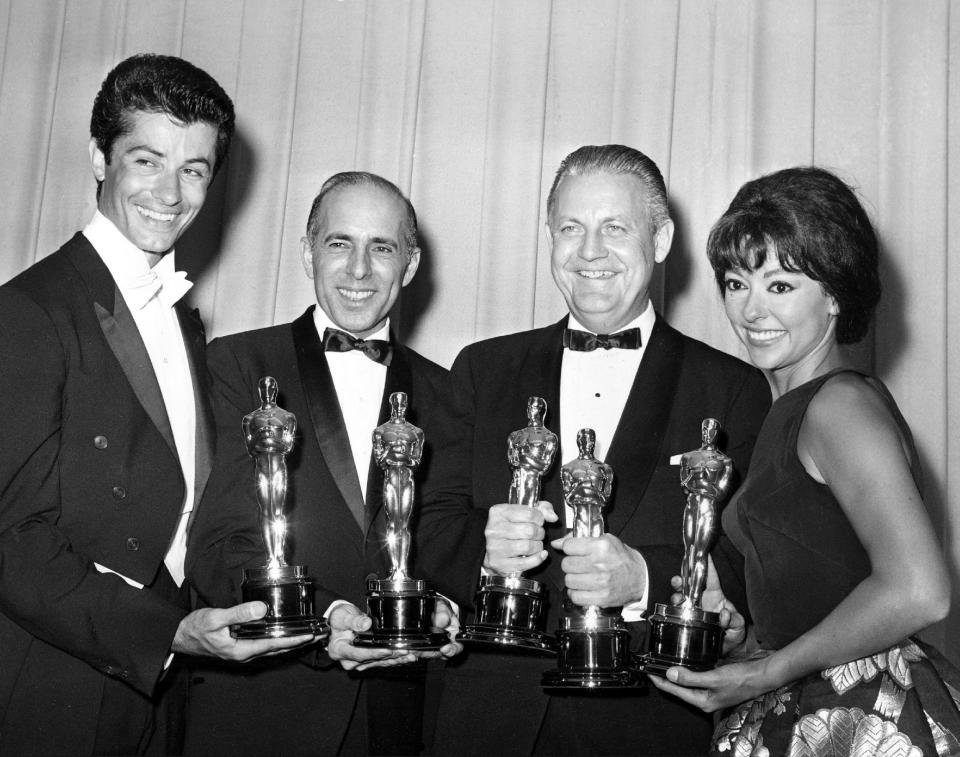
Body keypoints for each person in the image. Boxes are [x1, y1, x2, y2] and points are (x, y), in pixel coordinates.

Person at [0, 54, 317, 757]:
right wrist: (165, 631)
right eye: (148, 160)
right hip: (54, 690)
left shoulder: (184, 321)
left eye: (195, 169)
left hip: (162, 694)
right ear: (98, 157)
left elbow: (187, 512)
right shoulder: (26, 311)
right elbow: (12, 542)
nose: (171, 193)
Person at [417, 144, 772, 755]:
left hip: (646, 724)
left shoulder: (732, 387)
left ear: (660, 239)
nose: (589, 252)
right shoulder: (481, 369)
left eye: (614, 228)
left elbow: (750, 566)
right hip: (486, 721)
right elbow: (425, 529)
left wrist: (642, 577)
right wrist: (484, 545)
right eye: (570, 229)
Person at [649, 166, 960, 754]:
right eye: (737, 283)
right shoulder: (791, 410)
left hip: (860, 716)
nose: (751, 310)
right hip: (808, 704)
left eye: (781, 286)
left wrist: (766, 672)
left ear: (836, 295)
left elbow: (921, 589)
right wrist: (743, 637)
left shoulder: (837, 404)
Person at [185, 171, 461, 756]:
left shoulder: (449, 393)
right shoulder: (234, 362)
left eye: (381, 247)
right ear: (308, 253)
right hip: (265, 713)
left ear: (409, 265)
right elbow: (218, 542)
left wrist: (440, 609)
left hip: (399, 721)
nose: (359, 269)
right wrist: (325, 617)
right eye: (340, 243)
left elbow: (446, 533)